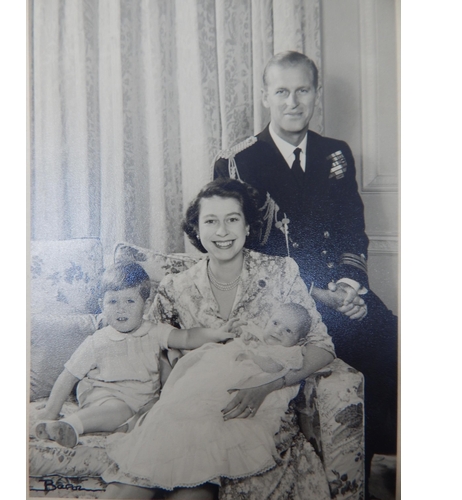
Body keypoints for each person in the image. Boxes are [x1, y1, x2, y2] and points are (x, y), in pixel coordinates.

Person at [213, 50, 398, 476]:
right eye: (282, 91)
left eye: (302, 91)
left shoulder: (336, 153)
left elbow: (352, 224)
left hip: (338, 289)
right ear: (265, 97)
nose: (292, 102)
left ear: (315, 95)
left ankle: (358, 474)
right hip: (282, 302)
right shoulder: (238, 161)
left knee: (387, 336)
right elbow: (248, 252)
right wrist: (320, 295)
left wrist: (351, 285)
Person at [101, 178, 335, 500]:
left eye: (232, 219)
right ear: (197, 229)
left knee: (191, 495)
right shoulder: (176, 286)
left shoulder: (281, 272)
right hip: (186, 411)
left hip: (251, 420)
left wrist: (265, 386)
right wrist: (162, 398)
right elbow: (151, 346)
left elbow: (322, 347)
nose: (222, 231)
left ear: (248, 226)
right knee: (125, 490)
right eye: (211, 221)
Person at [35, 261, 236, 448]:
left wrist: (216, 334)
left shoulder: (155, 332)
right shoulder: (97, 342)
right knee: (119, 410)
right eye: (112, 301)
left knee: (168, 415)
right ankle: (69, 426)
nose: (120, 309)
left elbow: (186, 338)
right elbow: (68, 376)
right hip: (104, 395)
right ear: (101, 305)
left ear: (146, 305)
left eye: (130, 301)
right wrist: (50, 412)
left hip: (143, 401)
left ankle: (123, 427)